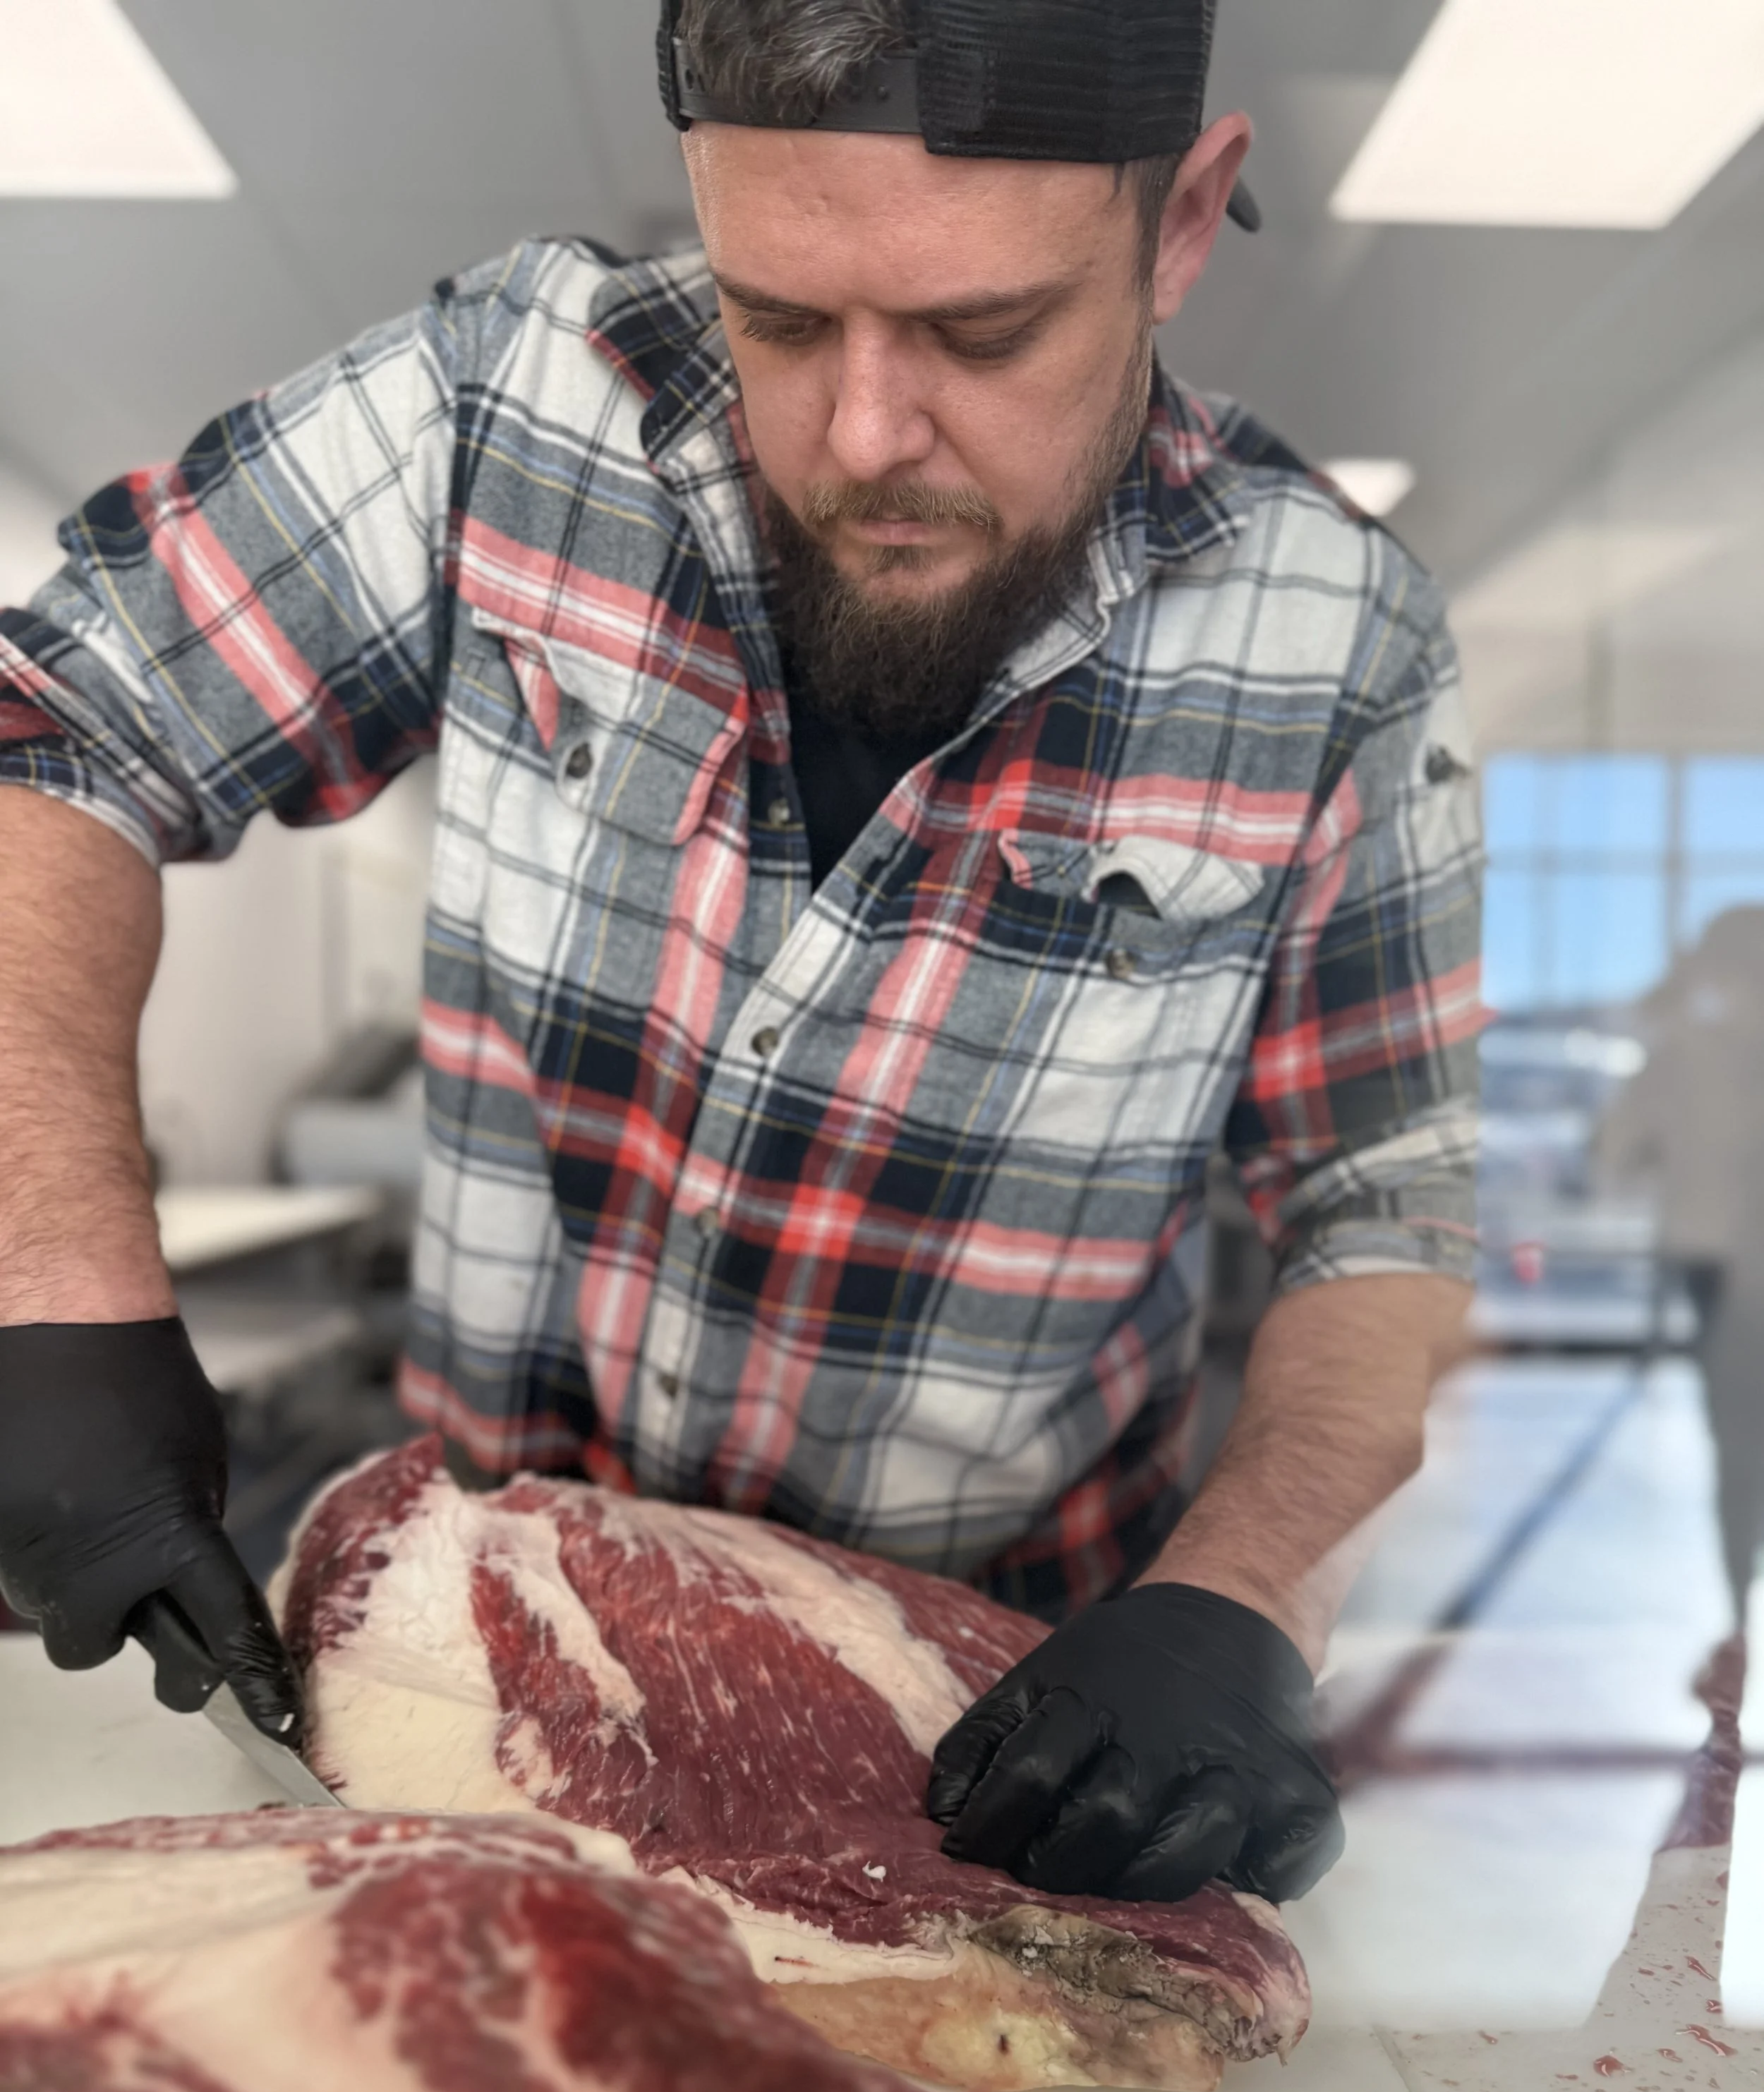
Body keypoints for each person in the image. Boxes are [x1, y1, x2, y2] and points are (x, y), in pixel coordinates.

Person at [0, 0, 1481, 1908]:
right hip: (481, 1655)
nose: (861, 436)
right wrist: (54, 1279)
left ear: (1183, 223)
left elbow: (1386, 1200)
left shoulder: (1338, 648)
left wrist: (1247, 1596)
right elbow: (62, 725)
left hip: (1001, 1732)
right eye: (778, 317)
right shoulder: (508, 406)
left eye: (981, 330)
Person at [1598, 904, 1764, 1622]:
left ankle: (1738, 1589)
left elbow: (1613, 1157)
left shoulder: (1682, 1054)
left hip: (1717, 1263)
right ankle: (1737, 1590)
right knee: (1735, 1425)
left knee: (1734, 1428)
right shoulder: (1685, 1055)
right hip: (1722, 1262)